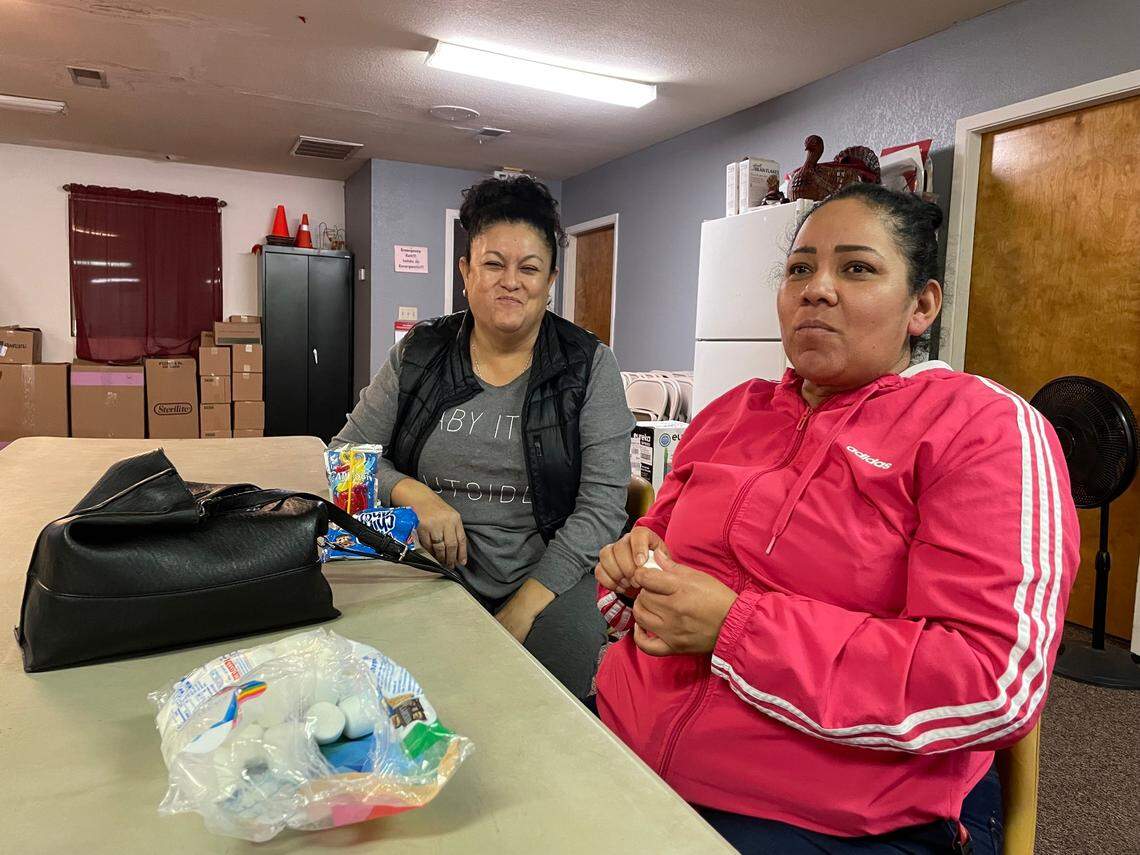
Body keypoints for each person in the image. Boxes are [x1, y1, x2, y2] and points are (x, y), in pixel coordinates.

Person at [593, 183, 1079, 853]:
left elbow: (991, 679)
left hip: (830, 815)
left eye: (856, 268)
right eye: (800, 269)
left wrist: (736, 629)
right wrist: (631, 570)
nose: (817, 289)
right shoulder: (732, 412)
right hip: (621, 740)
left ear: (922, 304)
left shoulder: (983, 429)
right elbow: (646, 572)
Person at [335, 176, 633, 699]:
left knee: (546, 710)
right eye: (493, 263)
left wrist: (522, 608)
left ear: (551, 280)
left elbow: (602, 508)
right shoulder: (419, 353)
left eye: (530, 268)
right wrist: (416, 495)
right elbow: (344, 457)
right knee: (391, 692)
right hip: (427, 569)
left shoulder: (589, 366)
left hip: (549, 579)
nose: (510, 282)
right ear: (466, 272)